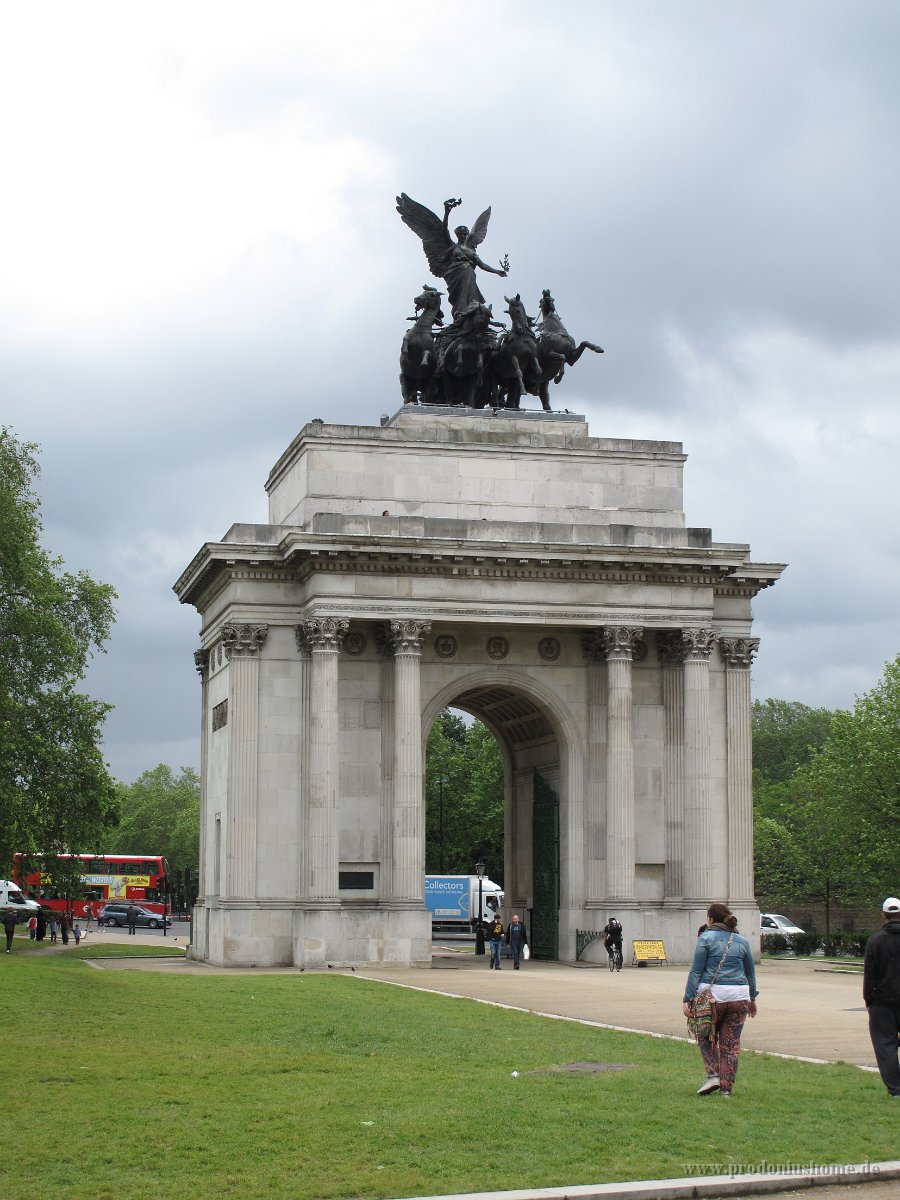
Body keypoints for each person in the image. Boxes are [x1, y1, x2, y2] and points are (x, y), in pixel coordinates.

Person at [683, 902, 758, 1098]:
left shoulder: (705, 938)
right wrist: (752, 998)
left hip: (713, 996)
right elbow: (750, 974)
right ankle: (726, 1089)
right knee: (731, 1044)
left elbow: (697, 971)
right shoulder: (742, 941)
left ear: (710, 919)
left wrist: (688, 998)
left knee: (706, 1036)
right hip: (740, 996)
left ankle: (713, 1075)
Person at [863, 896, 900, 1099]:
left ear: (883, 916)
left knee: (885, 1045)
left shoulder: (875, 941)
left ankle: (895, 1089)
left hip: (883, 1002)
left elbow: (870, 975)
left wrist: (868, 1000)